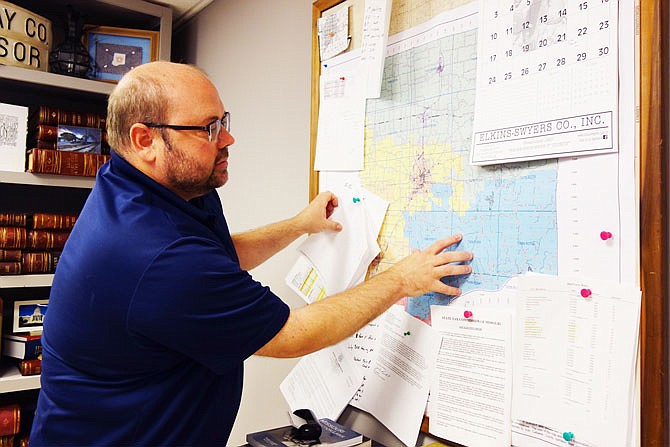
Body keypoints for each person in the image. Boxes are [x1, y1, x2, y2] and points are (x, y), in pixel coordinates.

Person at [29, 61, 473, 446]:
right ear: (144, 140)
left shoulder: (150, 187)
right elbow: (293, 333)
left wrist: (301, 225)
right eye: (208, 128)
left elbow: (217, 260)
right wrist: (401, 278)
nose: (228, 139)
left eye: (223, 120)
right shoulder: (154, 255)